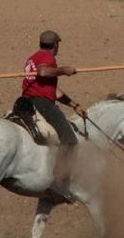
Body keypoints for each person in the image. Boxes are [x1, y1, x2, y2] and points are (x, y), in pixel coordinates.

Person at [21, 30, 87, 190]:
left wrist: (74, 105)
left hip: (26, 102)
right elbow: (43, 72)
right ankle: (59, 183)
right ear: (55, 45)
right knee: (70, 142)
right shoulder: (47, 57)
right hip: (42, 104)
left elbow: (53, 90)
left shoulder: (32, 58)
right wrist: (64, 70)